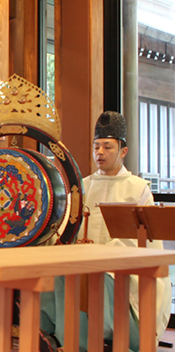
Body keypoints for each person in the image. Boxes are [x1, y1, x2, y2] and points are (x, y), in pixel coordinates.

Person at [40, 111, 172, 351]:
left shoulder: (138, 188)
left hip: (120, 267)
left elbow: (142, 242)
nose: (100, 153)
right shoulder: (83, 186)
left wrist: (98, 256)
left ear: (123, 151)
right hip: (83, 260)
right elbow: (67, 228)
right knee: (60, 271)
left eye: (107, 147)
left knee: (100, 277)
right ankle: (68, 340)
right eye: (96, 146)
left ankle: (110, 337)